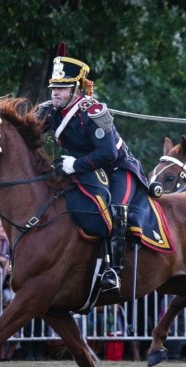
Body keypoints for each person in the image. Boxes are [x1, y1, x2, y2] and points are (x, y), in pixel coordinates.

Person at [37, 42, 148, 293]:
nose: (55, 92)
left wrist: (74, 164)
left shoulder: (95, 112)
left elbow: (108, 153)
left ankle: (114, 270)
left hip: (118, 168)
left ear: (76, 89)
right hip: (85, 169)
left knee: (117, 210)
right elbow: (28, 133)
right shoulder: (50, 111)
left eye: (62, 88)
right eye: (54, 87)